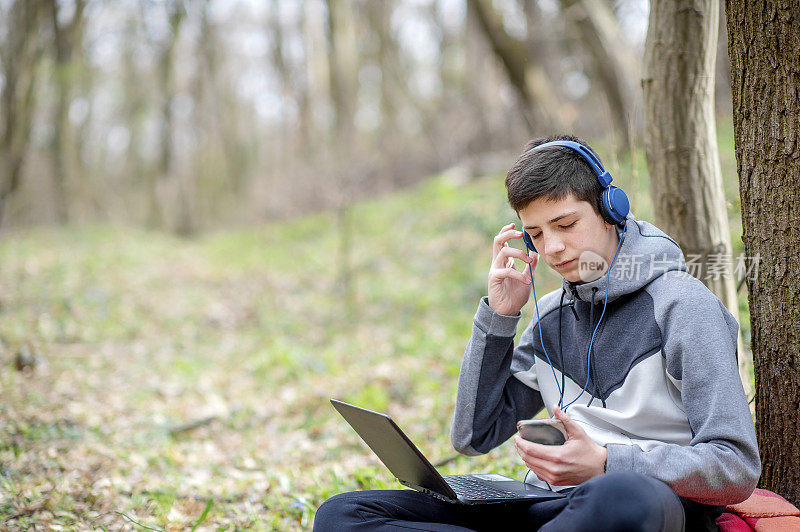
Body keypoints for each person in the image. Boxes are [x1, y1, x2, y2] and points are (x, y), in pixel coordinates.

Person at [313, 135, 760, 531]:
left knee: (626, 495)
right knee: (344, 514)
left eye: (565, 225)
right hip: (546, 505)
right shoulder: (549, 316)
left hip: (636, 506)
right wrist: (500, 317)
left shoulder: (682, 306)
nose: (553, 248)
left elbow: (735, 466)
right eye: (536, 234)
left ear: (611, 211)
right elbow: (474, 436)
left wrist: (607, 464)